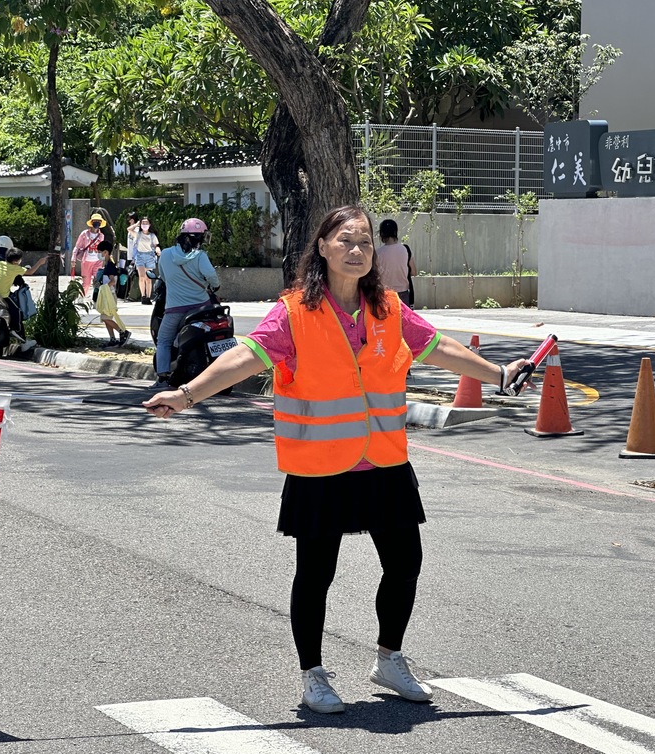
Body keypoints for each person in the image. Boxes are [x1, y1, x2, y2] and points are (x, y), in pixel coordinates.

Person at [143, 205, 528, 714]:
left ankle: (389, 660)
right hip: (321, 465)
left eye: (365, 242)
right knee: (316, 574)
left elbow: (437, 347)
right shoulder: (294, 312)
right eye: (345, 240)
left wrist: (498, 374)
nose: (356, 250)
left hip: (383, 460)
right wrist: (186, 394)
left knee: (405, 563)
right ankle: (313, 676)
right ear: (322, 246)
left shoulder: (389, 308)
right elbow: (244, 357)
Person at [153, 217, 220, 386]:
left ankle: (162, 377)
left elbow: (163, 277)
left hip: (175, 309)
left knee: (164, 341)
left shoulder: (166, 254)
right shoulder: (200, 256)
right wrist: (216, 286)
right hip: (202, 307)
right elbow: (211, 275)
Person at [94, 240, 131, 348]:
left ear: (105, 252)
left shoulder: (110, 265)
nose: (98, 254)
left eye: (100, 251)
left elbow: (112, 281)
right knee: (106, 318)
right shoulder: (106, 264)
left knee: (106, 317)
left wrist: (104, 287)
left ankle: (123, 332)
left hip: (109, 295)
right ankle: (112, 339)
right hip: (107, 295)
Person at [377, 219, 417, 309]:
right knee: (403, 322)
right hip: (403, 294)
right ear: (395, 232)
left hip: (385, 295)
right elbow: (414, 272)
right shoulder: (405, 249)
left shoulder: (377, 253)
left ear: (381, 234)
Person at [73, 212, 107, 296]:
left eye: (99, 221)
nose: (97, 223)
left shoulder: (101, 236)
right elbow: (77, 246)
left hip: (97, 261)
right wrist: (73, 258)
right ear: (91, 223)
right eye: (95, 221)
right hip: (87, 261)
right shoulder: (84, 234)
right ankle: (81, 298)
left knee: (97, 281)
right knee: (86, 283)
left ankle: (96, 299)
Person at [130, 216, 161, 304]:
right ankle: (143, 296)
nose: (144, 224)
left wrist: (158, 249)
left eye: (146, 223)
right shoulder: (138, 234)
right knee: (141, 277)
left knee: (148, 278)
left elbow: (156, 245)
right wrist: (136, 224)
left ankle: (148, 296)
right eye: (143, 223)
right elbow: (129, 229)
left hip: (149, 256)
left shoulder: (152, 236)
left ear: (150, 224)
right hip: (140, 256)